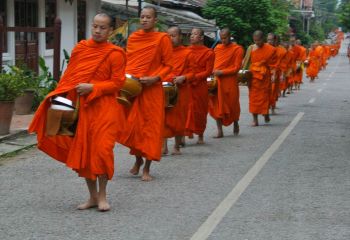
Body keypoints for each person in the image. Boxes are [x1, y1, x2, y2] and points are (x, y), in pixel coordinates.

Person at [29, 13, 126, 211]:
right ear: (91, 27)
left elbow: (118, 83)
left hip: (105, 109)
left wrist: (94, 88)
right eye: (95, 26)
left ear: (110, 31)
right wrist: (58, 98)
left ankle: (103, 196)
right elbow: (69, 78)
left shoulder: (115, 53)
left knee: (102, 151)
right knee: (85, 152)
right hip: (83, 108)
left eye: (103, 28)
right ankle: (92, 197)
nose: (98, 31)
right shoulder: (81, 49)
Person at [118, 6, 173, 181]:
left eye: (148, 17)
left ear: (155, 20)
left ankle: (147, 168)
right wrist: (126, 81)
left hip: (153, 90)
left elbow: (169, 66)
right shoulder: (134, 38)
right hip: (134, 89)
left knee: (151, 129)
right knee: (134, 128)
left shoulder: (162, 39)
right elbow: (128, 62)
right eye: (142, 17)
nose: (144, 20)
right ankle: (138, 159)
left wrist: (155, 78)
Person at [163, 26, 193, 155]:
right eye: (168, 36)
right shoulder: (163, 52)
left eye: (173, 36)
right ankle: (163, 146)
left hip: (181, 89)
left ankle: (176, 146)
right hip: (164, 87)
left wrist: (184, 77)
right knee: (163, 118)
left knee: (179, 118)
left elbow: (193, 72)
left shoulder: (188, 53)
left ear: (180, 37)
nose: (171, 38)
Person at [208, 28, 243, 138]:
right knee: (217, 105)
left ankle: (235, 122)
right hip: (217, 81)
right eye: (221, 38)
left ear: (230, 36)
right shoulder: (217, 48)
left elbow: (236, 68)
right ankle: (220, 130)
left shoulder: (237, 49)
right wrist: (212, 73)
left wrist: (222, 72)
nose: (223, 40)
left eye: (225, 38)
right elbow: (214, 63)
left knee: (232, 104)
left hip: (230, 81)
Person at [186, 28, 215, 144]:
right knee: (186, 110)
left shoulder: (208, 53)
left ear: (202, 37)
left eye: (195, 34)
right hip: (187, 85)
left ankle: (200, 135)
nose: (192, 36)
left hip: (200, 85)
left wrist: (194, 77)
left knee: (200, 111)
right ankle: (183, 135)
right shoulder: (186, 51)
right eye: (191, 34)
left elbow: (208, 71)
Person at [248, 30, 277, 126]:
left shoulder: (270, 49)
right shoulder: (251, 48)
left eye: (259, 40)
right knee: (253, 98)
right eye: (255, 40)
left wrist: (274, 74)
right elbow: (246, 62)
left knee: (265, 97)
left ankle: (265, 113)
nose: (257, 42)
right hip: (253, 77)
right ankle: (255, 119)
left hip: (265, 77)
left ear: (263, 39)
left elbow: (274, 64)